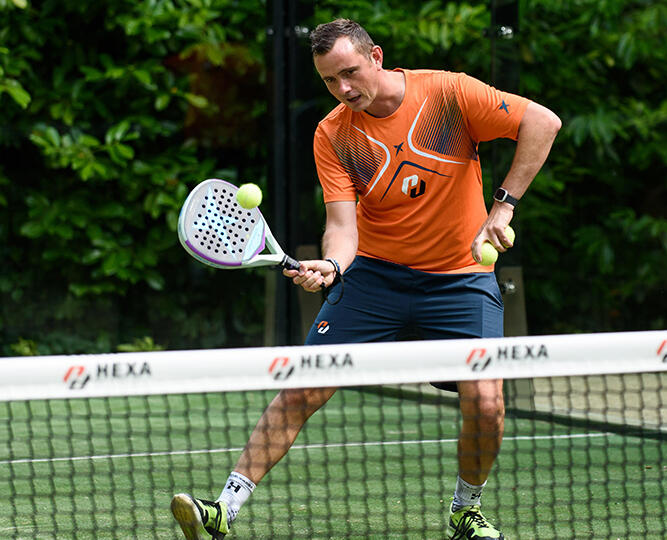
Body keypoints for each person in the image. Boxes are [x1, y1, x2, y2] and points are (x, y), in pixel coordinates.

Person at [171, 18, 560, 540]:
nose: (344, 89)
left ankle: (466, 510)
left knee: (487, 399)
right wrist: (333, 267)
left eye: (350, 73)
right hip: (375, 276)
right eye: (330, 81)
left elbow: (544, 123)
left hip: (460, 277)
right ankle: (223, 510)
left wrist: (503, 209)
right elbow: (341, 227)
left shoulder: (448, 93)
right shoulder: (333, 133)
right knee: (301, 390)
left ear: (376, 56)